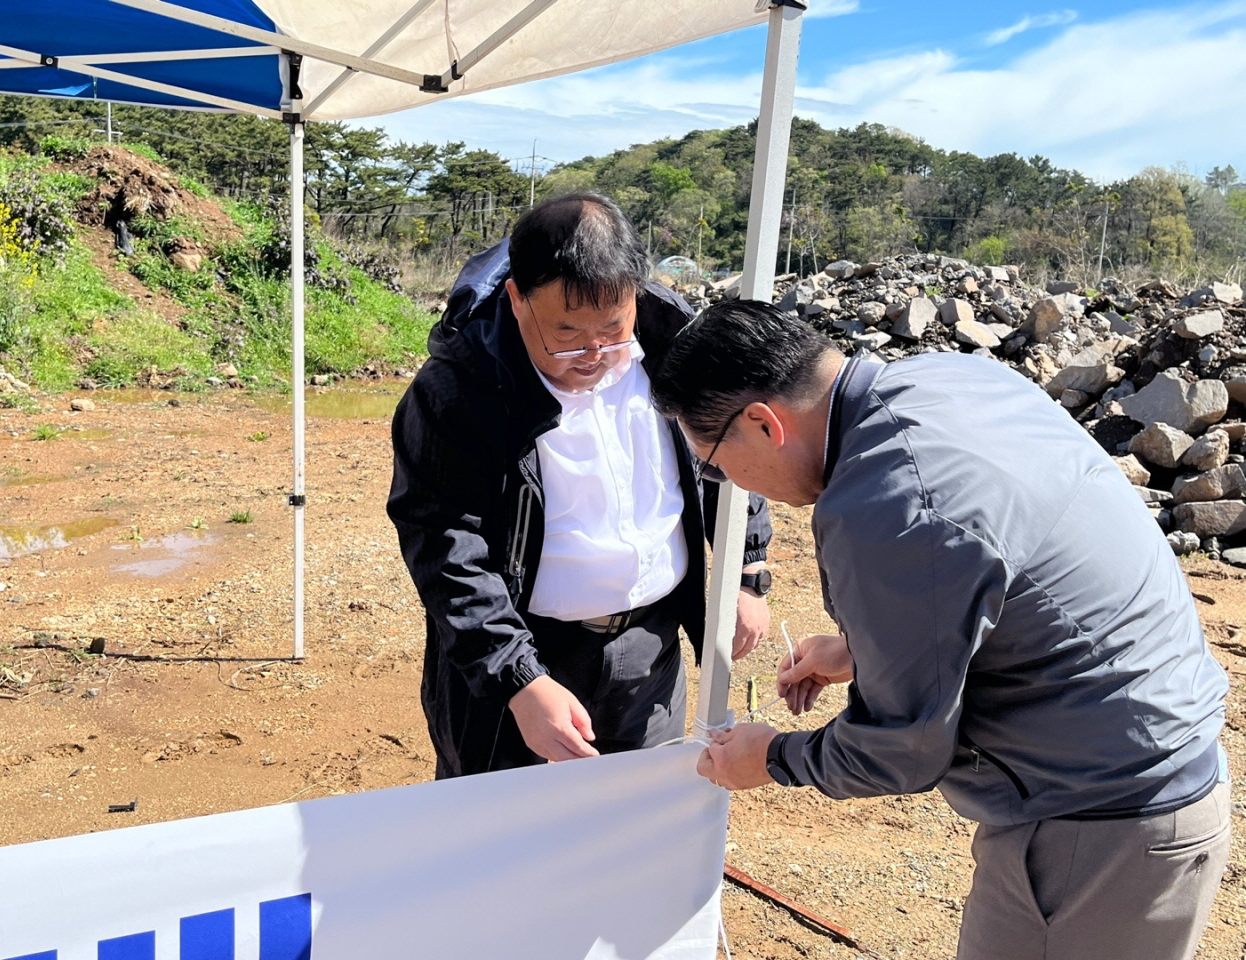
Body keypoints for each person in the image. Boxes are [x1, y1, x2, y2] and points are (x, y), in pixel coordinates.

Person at [650, 298, 1231, 960]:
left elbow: (901, 750)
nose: (725, 481)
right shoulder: (946, 379)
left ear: (762, 423)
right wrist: (864, 648)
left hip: (1098, 826)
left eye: (714, 462)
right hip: (1151, 767)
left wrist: (771, 757)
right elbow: (1003, 562)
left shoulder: (885, 503)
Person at [386, 193, 773, 780]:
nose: (594, 354)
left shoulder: (676, 349)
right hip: (529, 653)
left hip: (651, 647)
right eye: (567, 334)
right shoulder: (460, 390)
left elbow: (730, 454)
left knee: (638, 818)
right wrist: (519, 680)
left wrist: (749, 570)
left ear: (636, 295)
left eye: (613, 330)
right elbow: (444, 545)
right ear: (517, 299)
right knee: (506, 834)